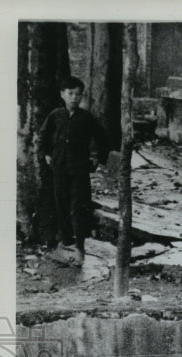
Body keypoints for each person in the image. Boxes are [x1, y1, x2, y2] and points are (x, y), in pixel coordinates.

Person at [38, 76, 109, 266]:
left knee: (79, 207)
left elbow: (103, 137)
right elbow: (42, 137)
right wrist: (45, 154)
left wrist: (98, 160)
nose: (74, 98)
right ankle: (65, 242)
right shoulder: (55, 115)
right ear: (62, 94)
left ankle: (80, 247)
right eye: (70, 94)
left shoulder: (86, 118)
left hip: (79, 170)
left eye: (78, 94)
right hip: (59, 168)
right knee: (60, 203)